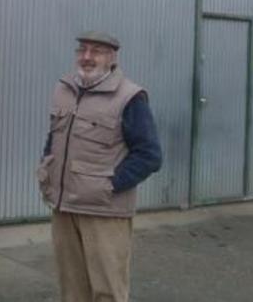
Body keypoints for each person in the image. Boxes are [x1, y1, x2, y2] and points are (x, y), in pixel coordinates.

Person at [37, 31, 162, 302]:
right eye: (82, 50)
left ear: (112, 58)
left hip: (104, 211)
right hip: (64, 206)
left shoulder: (130, 97)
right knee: (72, 289)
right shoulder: (64, 89)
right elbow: (55, 137)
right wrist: (46, 168)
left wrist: (107, 186)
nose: (87, 57)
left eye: (97, 51)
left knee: (107, 291)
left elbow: (149, 155)